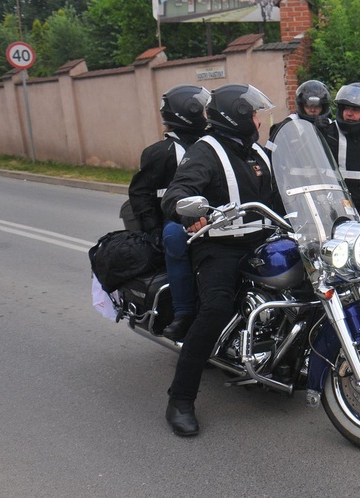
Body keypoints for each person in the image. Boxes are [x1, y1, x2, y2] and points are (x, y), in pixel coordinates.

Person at [160, 84, 282, 437]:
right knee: (214, 310)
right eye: (254, 114)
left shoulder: (255, 152)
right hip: (220, 246)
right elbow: (177, 192)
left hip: (264, 241)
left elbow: (281, 194)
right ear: (237, 117)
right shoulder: (206, 152)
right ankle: (180, 399)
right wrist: (188, 211)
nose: (259, 120)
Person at [127, 84, 210, 341]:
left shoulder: (213, 144)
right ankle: (183, 313)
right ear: (190, 112)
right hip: (177, 222)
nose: (207, 116)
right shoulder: (159, 153)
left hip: (215, 217)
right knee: (174, 238)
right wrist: (154, 231)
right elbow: (141, 194)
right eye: (202, 111)